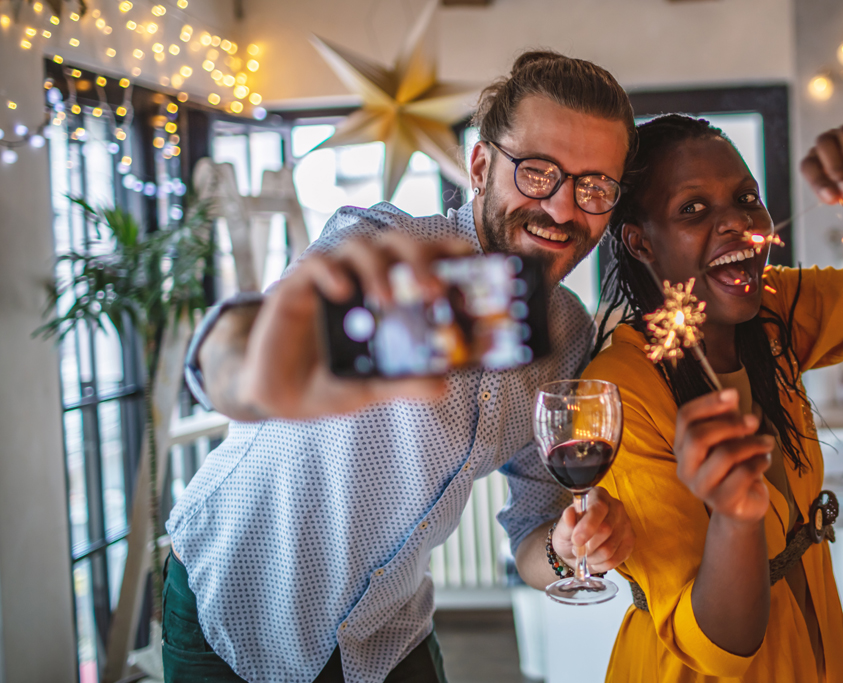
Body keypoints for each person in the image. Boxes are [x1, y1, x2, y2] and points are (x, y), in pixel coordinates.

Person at [163, 51, 637, 683]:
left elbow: (531, 534)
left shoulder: (567, 332)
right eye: (538, 172)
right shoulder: (377, 244)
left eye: (594, 186)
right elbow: (240, 361)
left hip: (386, 632)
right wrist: (256, 366)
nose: (562, 208)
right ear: (479, 165)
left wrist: (568, 549)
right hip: (233, 605)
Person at [582, 115, 843, 682]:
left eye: (747, 197)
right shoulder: (626, 390)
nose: (738, 224)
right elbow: (721, 647)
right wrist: (735, 517)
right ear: (640, 240)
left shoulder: (776, 312)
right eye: (693, 209)